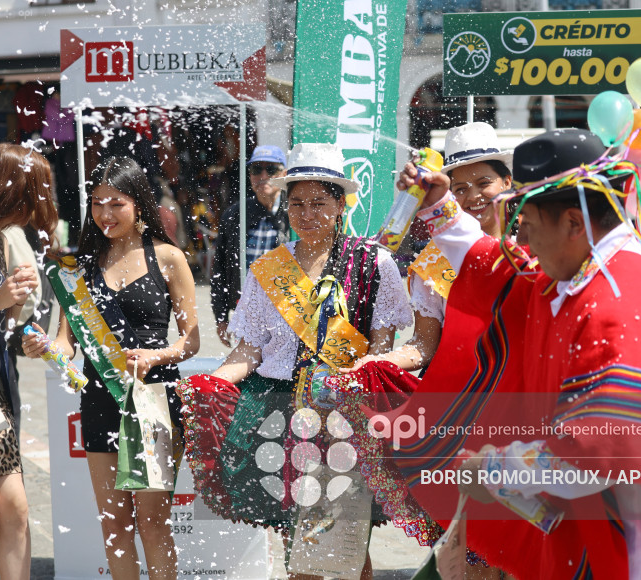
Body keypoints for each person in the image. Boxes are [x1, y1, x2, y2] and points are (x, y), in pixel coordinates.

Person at [387, 129, 641, 578]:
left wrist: (496, 467)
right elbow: (507, 272)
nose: (521, 236)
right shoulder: (593, 269)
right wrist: (440, 207)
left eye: (528, 222)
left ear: (574, 223)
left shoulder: (615, 300)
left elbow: (596, 449)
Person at [177, 143, 412, 580]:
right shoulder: (268, 269)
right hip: (281, 413)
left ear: (341, 204)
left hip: (347, 414)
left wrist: (353, 381)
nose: (307, 214)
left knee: (347, 542)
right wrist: (213, 383)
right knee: (300, 545)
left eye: (319, 203)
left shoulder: (372, 263)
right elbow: (249, 351)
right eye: (297, 203)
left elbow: (382, 350)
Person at [22, 156, 199, 580]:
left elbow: (190, 340)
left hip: (154, 399)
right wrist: (44, 348)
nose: (105, 213)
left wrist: (155, 356)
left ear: (139, 203)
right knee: (115, 525)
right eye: (97, 203)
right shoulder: (79, 268)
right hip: (101, 398)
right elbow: (66, 342)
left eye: (116, 203)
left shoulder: (169, 257)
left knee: (153, 522)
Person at [348, 122, 513, 373]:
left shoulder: (534, 244)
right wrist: (377, 363)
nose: (473, 197)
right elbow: (424, 345)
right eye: (461, 189)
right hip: (461, 384)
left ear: (507, 182)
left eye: (484, 183)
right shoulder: (433, 262)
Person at [0, 142, 55, 580]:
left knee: (15, 507)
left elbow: (5, 324)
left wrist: (16, 308)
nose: (39, 203)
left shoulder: (1, 239)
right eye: (35, 191)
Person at [211, 145, 289, 347]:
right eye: (256, 169)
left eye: (271, 169)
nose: (263, 176)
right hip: (246, 311)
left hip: (287, 311)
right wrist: (221, 317)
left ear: (284, 174)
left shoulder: (294, 213)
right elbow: (219, 269)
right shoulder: (235, 214)